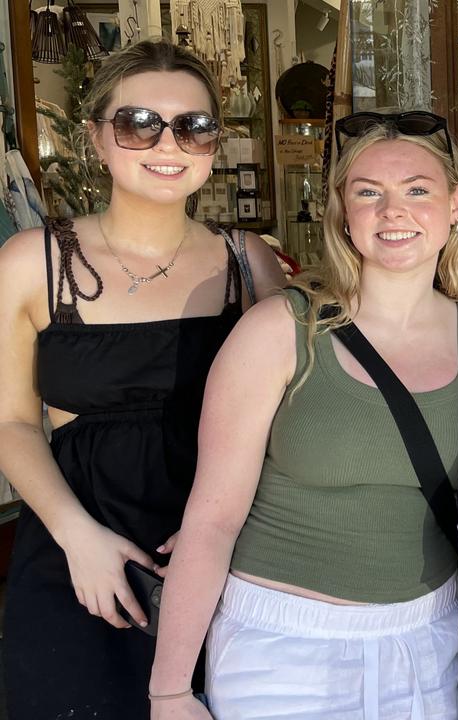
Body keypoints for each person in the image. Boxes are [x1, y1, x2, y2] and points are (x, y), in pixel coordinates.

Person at [148, 110, 458, 719]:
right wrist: (170, 689)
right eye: (369, 193)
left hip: (433, 642)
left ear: (456, 203)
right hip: (280, 651)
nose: (394, 211)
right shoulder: (281, 330)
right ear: (341, 211)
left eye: (417, 190)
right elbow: (211, 521)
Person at [0, 40, 282, 718]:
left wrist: (227, 532)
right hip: (74, 559)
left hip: (218, 559)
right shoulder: (32, 262)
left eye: (195, 125)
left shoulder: (249, 266)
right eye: (138, 123)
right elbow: (9, 421)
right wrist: (77, 536)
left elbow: (284, 425)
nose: (169, 143)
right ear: (97, 137)